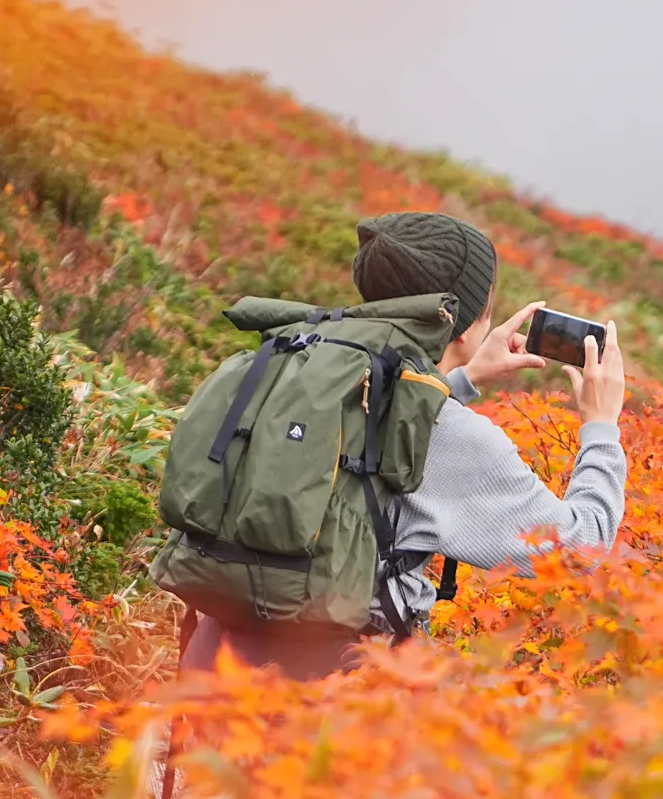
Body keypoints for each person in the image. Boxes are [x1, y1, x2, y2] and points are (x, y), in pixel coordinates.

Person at [174, 210, 627, 677]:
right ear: (465, 322)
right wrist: (601, 425)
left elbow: (380, 424)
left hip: (211, 675)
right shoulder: (454, 440)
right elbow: (580, 549)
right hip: (328, 710)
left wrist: (461, 379)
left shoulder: (302, 366)